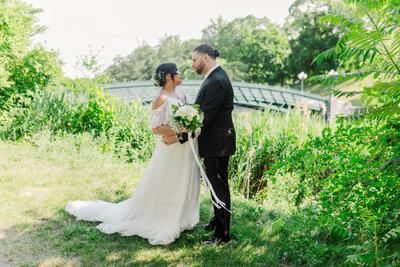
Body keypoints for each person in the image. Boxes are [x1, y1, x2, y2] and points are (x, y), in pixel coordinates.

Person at [65, 63, 200, 246]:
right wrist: (180, 128)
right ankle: (162, 219)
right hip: (169, 149)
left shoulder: (185, 97)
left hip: (185, 147)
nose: (181, 73)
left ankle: (180, 217)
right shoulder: (161, 99)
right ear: (168, 76)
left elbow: (194, 121)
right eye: (177, 71)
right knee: (167, 181)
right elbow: (155, 128)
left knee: (182, 179)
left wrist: (189, 127)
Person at [162, 44, 236, 245]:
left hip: (218, 143)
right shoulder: (213, 76)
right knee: (215, 185)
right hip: (214, 142)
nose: (192, 64)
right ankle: (216, 222)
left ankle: (223, 235)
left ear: (205, 57)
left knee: (218, 187)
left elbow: (205, 116)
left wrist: (180, 138)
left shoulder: (218, 80)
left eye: (194, 60)